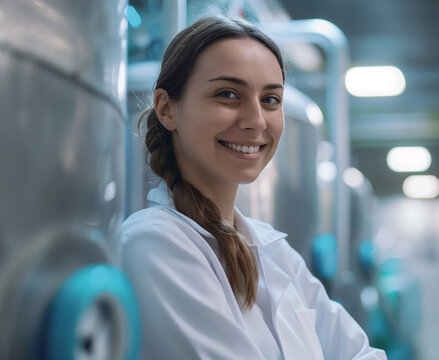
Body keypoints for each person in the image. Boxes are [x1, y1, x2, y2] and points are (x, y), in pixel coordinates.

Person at [118, 16, 387, 360]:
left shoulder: (274, 252)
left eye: (271, 99)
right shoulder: (154, 244)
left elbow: (362, 353)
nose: (257, 120)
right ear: (167, 109)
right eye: (228, 94)